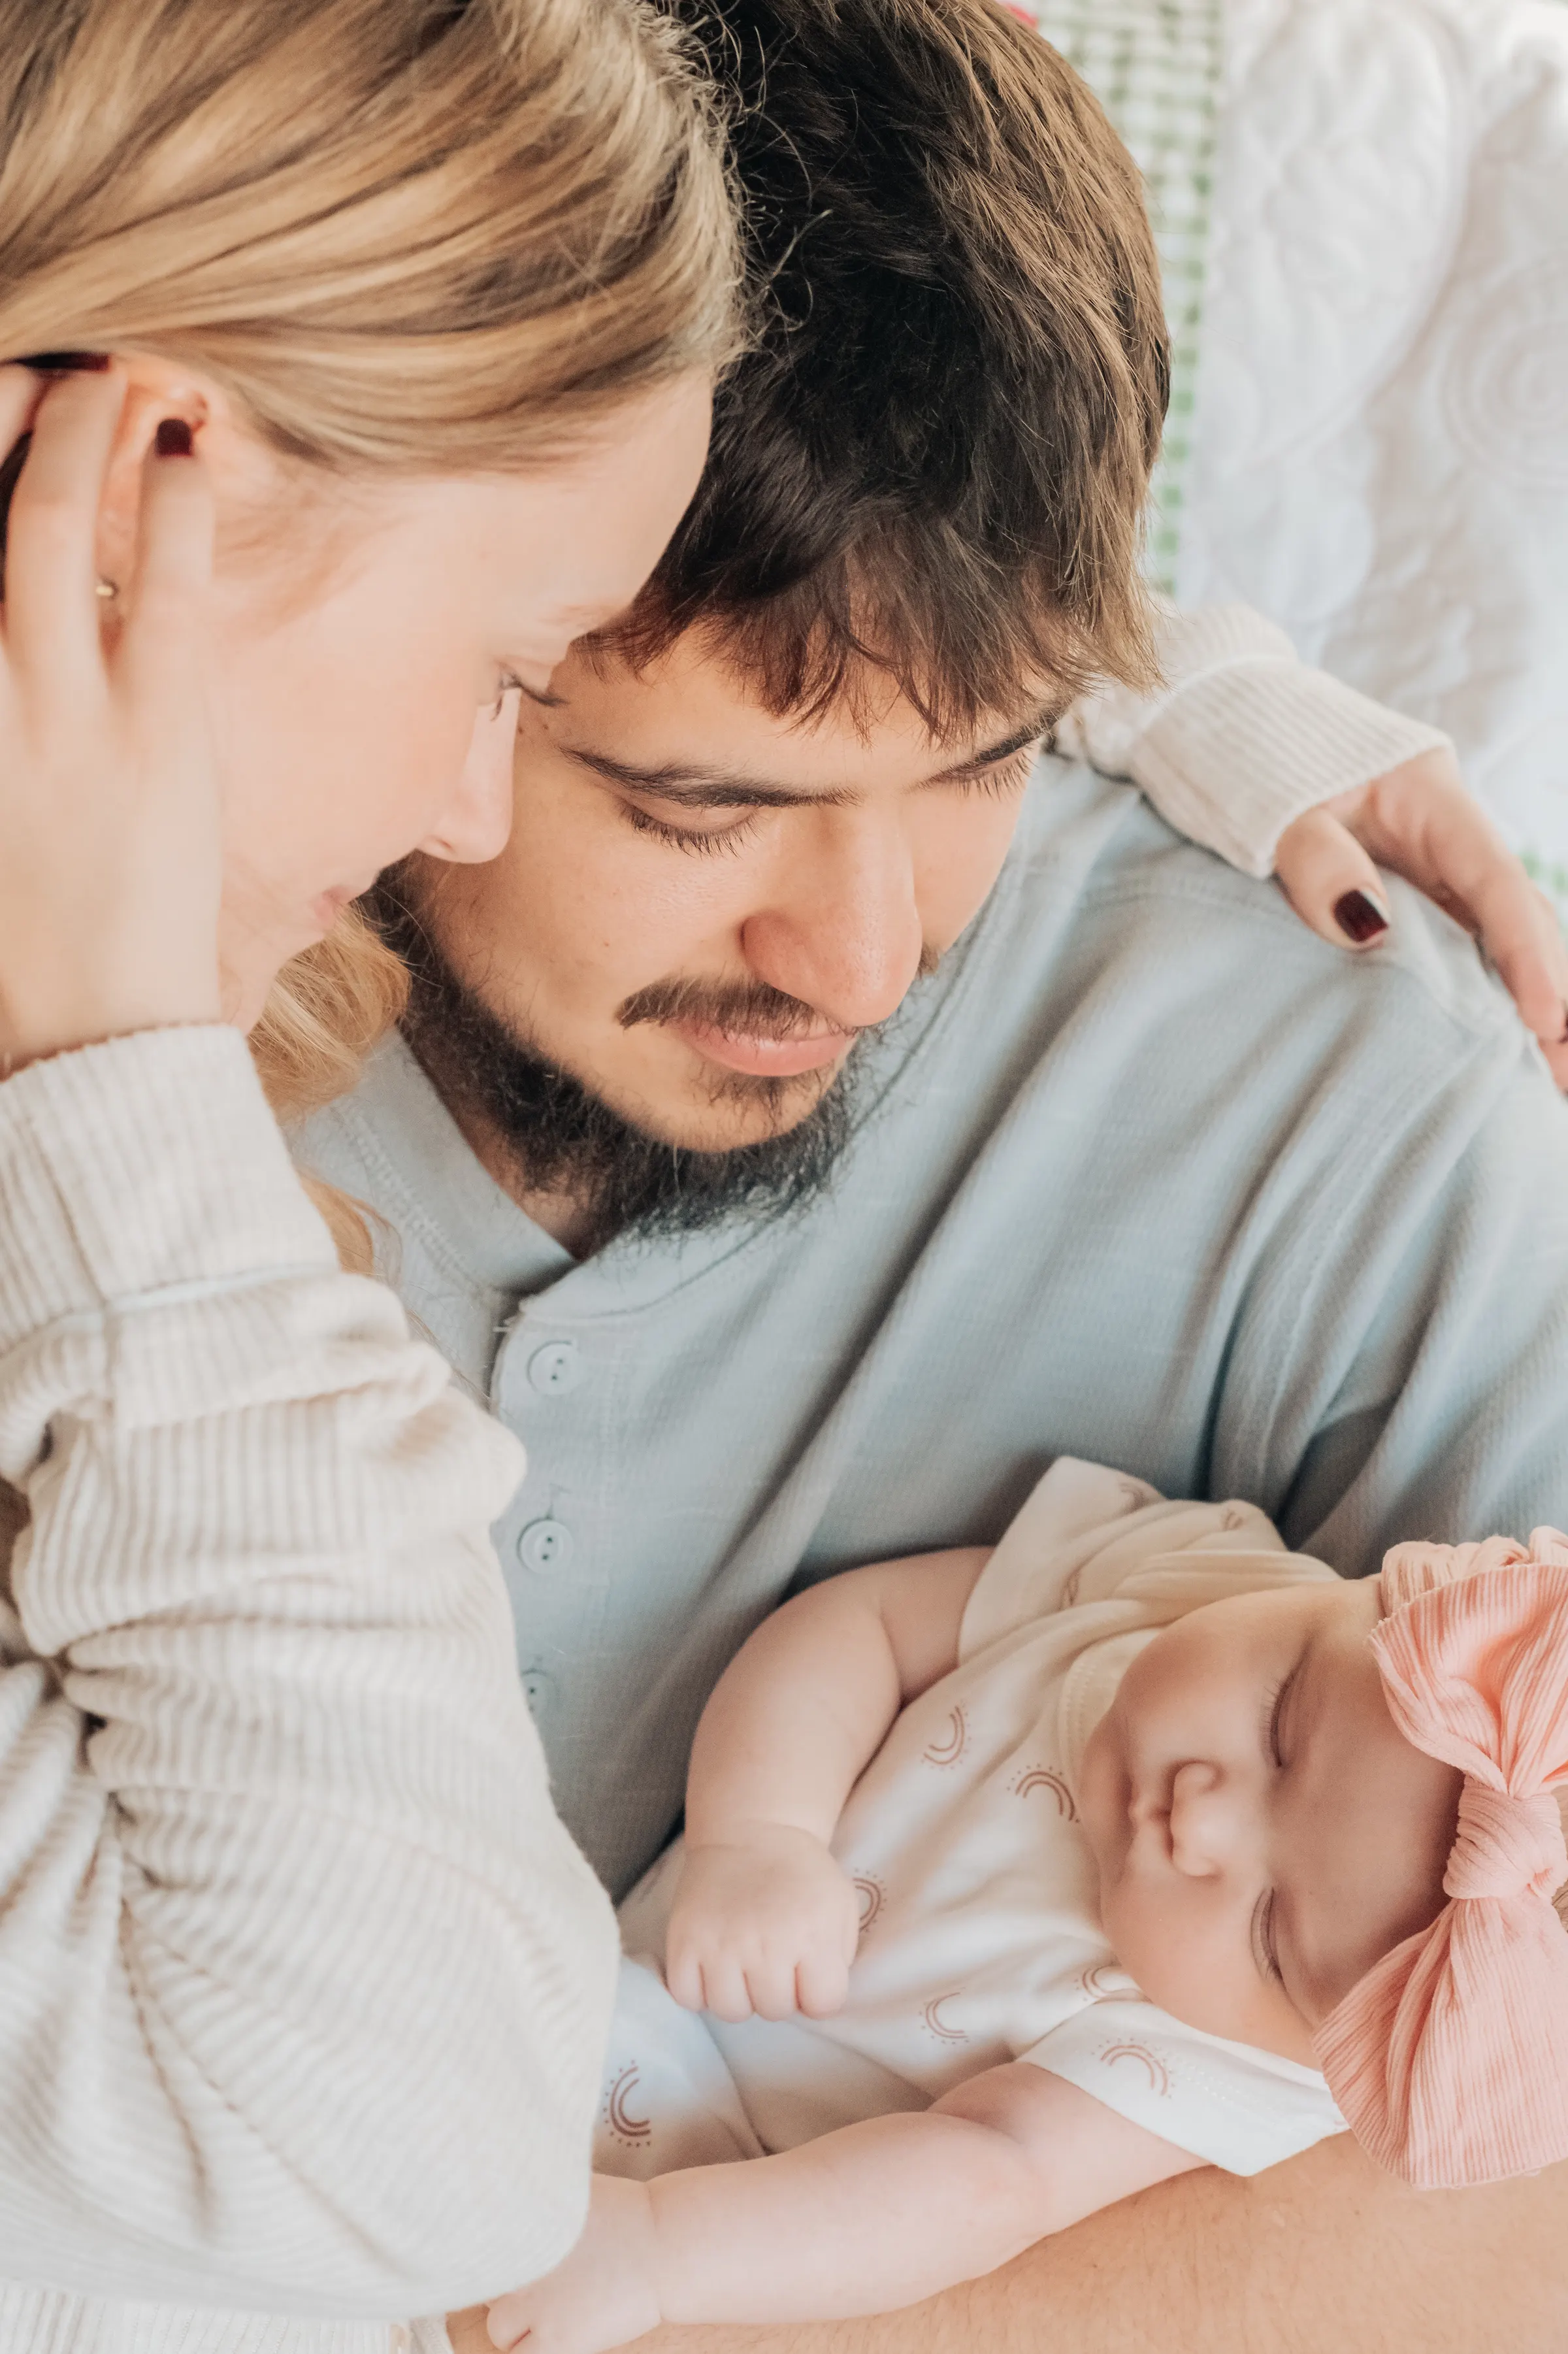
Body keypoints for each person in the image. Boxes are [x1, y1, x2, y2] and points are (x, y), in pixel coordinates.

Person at [284, 5, 1568, 2347]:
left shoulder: (1346, 1110)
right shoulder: (132, 983)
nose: (859, 957)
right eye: (700, 812)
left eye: (982, 760)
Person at [0, 1, 738, 2347]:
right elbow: (417, 2152)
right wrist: (117, 1092)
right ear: (143, 490)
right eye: (511, 665)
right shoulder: (116, 1171)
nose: (469, 807)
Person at [483, 1466, 1568, 2351]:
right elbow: (868, 1623)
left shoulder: (1224, 2065)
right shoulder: (1187, 1574)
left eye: (1267, 1931)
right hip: (598, 1934)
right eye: (1281, 1721)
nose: (1203, 1819)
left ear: (1326, 2052)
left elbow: (986, 2177)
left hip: (722, 2169)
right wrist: (759, 1831)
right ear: (1371, 1589)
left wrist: (666, 2248)